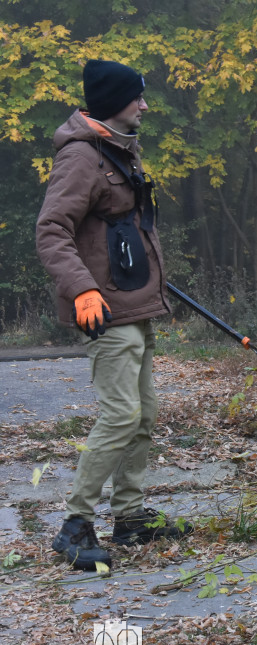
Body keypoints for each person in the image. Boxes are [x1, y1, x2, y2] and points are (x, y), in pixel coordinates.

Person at [36, 59, 192, 571]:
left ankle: (129, 515)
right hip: (104, 309)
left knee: (143, 414)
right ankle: (75, 524)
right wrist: (81, 289)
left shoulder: (117, 149)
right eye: (136, 98)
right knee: (121, 414)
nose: (144, 106)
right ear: (113, 103)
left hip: (132, 303)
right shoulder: (81, 157)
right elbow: (52, 230)